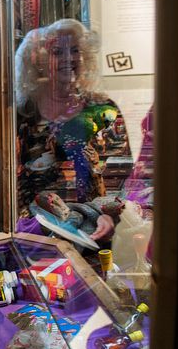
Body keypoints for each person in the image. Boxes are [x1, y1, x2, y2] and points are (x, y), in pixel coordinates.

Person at [14, 18, 131, 241]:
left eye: (75, 50)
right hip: (39, 236)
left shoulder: (104, 109)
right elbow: (16, 183)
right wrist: (28, 225)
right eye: (57, 51)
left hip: (94, 233)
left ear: (85, 56)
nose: (68, 58)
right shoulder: (23, 114)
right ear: (40, 59)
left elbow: (120, 176)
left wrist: (109, 216)